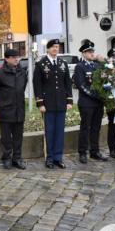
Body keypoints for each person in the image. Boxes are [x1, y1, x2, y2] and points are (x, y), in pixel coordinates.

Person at [33, 39, 73, 169]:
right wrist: (40, 103)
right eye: (53, 47)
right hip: (48, 104)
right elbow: (37, 85)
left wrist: (69, 100)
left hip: (61, 103)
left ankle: (58, 157)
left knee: (59, 132)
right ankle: (49, 158)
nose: (56, 49)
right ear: (48, 49)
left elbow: (68, 83)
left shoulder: (62, 63)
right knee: (49, 132)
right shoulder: (40, 64)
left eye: (57, 47)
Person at [0, 48, 28, 169]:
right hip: (5, 109)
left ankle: (17, 158)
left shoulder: (22, 71)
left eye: (18, 57)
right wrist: (0, 104)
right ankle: (6, 158)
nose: (17, 59)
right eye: (13, 57)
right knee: (6, 137)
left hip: (19, 109)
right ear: (6, 59)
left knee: (18, 136)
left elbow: (22, 88)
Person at [74, 41, 107, 164]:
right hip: (87, 102)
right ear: (83, 53)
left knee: (96, 128)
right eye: (89, 52)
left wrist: (103, 94)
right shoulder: (80, 67)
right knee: (85, 128)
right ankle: (82, 152)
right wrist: (95, 95)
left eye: (92, 51)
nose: (92, 54)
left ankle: (95, 151)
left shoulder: (97, 66)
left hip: (98, 102)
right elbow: (81, 85)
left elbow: (104, 81)